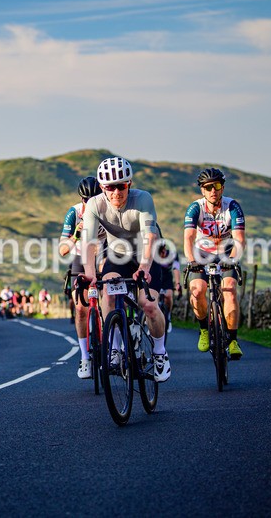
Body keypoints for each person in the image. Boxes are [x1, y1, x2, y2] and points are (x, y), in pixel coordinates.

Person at [80, 158, 171, 382]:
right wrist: (90, 274)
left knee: (148, 304)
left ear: (129, 184)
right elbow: (89, 243)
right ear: (102, 187)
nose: (116, 192)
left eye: (121, 186)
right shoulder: (95, 204)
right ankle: (115, 349)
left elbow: (151, 237)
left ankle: (160, 353)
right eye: (110, 187)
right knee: (109, 293)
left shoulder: (143, 198)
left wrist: (144, 267)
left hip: (146, 254)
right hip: (118, 256)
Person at [183, 167, 246, 359]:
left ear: (223, 187)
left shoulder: (232, 207)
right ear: (202, 190)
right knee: (197, 290)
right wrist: (192, 261)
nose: (213, 191)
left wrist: (232, 260)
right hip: (201, 254)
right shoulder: (196, 208)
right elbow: (188, 238)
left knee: (229, 288)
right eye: (208, 187)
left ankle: (233, 340)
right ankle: (204, 330)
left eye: (216, 186)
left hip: (227, 252)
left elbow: (239, 240)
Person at [58, 176, 103, 379]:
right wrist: (75, 235)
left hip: (104, 253)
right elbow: (63, 250)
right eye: (87, 199)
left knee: (112, 297)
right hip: (80, 254)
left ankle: (117, 346)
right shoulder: (74, 213)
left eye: (96, 197)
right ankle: (85, 357)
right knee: (80, 309)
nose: (91, 202)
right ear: (82, 199)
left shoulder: (109, 209)